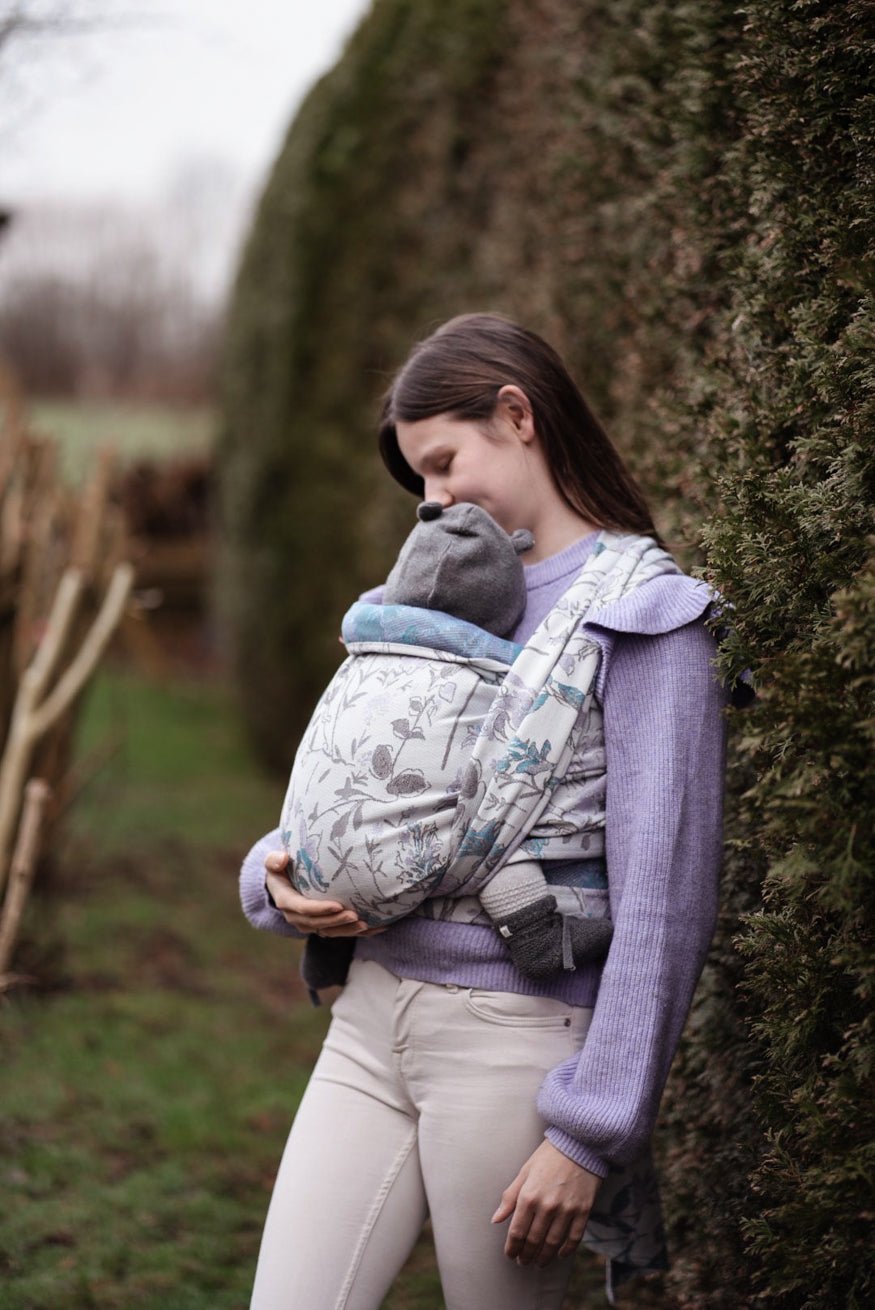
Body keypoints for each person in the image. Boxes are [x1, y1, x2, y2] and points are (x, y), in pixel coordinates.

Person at [239, 313, 730, 1309]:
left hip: (511, 1046)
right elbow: (359, 778)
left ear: (517, 415)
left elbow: (662, 900)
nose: (432, 500)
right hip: (367, 1021)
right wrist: (280, 872)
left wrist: (589, 1130)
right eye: (417, 477)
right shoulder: (441, 592)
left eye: (442, 460)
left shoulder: (645, 614)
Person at [280, 495, 615, 986]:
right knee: (495, 819)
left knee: (335, 779)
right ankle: (537, 935)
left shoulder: (362, 645)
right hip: (400, 878)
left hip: (303, 860)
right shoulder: (502, 670)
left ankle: (327, 949)